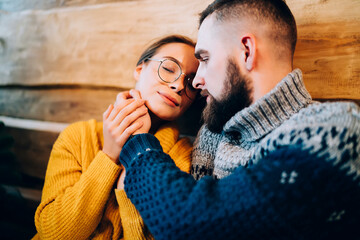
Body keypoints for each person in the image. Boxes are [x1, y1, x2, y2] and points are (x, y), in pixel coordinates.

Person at [117, 0, 360, 239]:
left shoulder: (334, 131)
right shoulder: (214, 133)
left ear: (247, 51)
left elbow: (189, 225)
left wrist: (138, 140)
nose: (197, 81)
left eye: (205, 59)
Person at [33, 35, 200, 240]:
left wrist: (133, 173)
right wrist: (109, 155)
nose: (179, 86)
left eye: (191, 83)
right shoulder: (79, 136)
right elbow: (52, 234)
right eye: (168, 69)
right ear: (139, 70)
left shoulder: (183, 157)